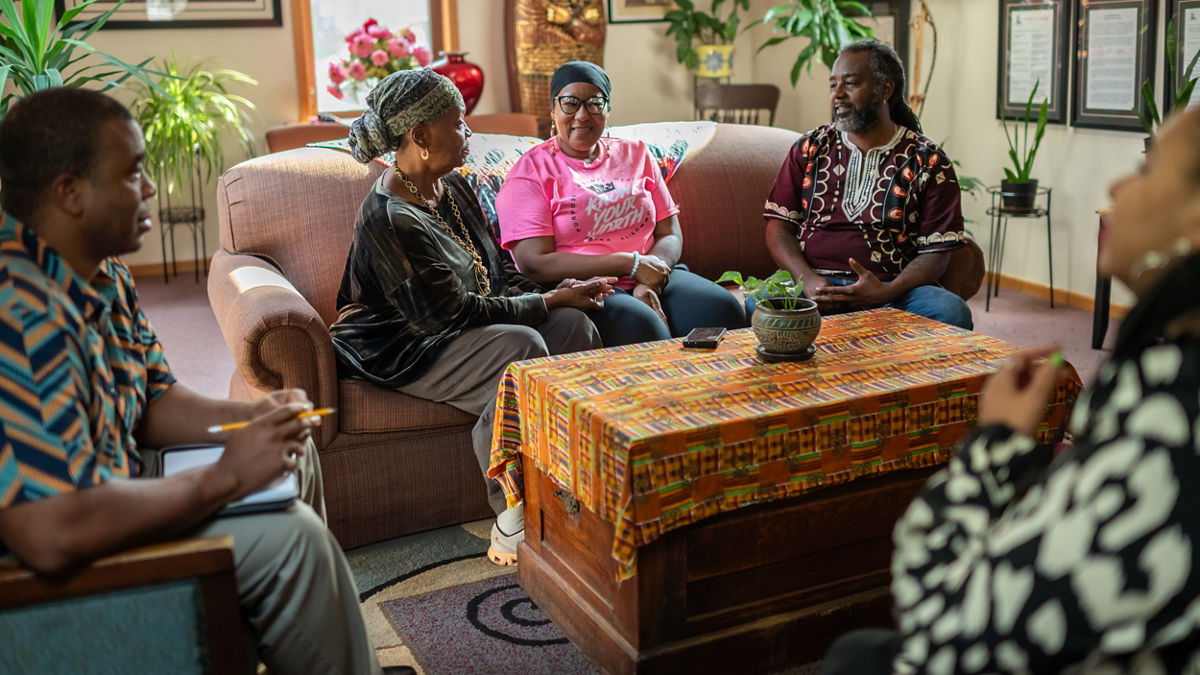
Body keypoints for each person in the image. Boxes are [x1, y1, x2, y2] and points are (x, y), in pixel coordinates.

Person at [0, 88, 384, 674]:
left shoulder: (101, 274)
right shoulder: (19, 312)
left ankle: (287, 640)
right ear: (69, 193)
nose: (151, 188)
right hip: (58, 549)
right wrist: (226, 478)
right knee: (295, 544)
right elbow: (48, 531)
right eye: (133, 173)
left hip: (119, 478)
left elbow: (155, 398)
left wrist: (251, 419)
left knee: (291, 446)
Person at [821, 106, 1200, 673]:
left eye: (1149, 170)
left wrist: (995, 443)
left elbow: (947, 623)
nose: (1119, 185)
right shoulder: (1162, 383)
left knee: (856, 658)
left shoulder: (1168, 430)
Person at [328, 69, 610, 567]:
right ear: (419, 135)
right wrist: (548, 303)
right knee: (520, 346)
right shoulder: (390, 218)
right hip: (406, 342)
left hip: (463, 326)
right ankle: (511, 514)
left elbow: (496, 269)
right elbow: (449, 315)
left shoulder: (450, 187)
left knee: (577, 329)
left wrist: (555, 294)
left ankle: (569, 483)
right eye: (458, 123)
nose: (469, 133)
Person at [495, 60, 746, 347]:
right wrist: (630, 263)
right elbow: (533, 263)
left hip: (656, 273)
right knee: (642, 327)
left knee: (720, 308)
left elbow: (670, 232)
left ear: (608, 110)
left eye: (594, 103)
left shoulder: (636, 154)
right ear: (553, 110)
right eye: (570, 103)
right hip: (586, 286)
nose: (582, 115)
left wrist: (649, 278)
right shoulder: (532, 171)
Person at [763, 39, 973, 330]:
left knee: (951, 313)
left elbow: (936, 254)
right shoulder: (811, 148)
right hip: (814, 288)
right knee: (760, 303)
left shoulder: (928, 160)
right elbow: (778, 228)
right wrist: (808, 280)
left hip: (894, 290)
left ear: (885, 90)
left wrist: (886, 291)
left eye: (849, 84)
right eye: (832, 84)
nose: (837, 95)